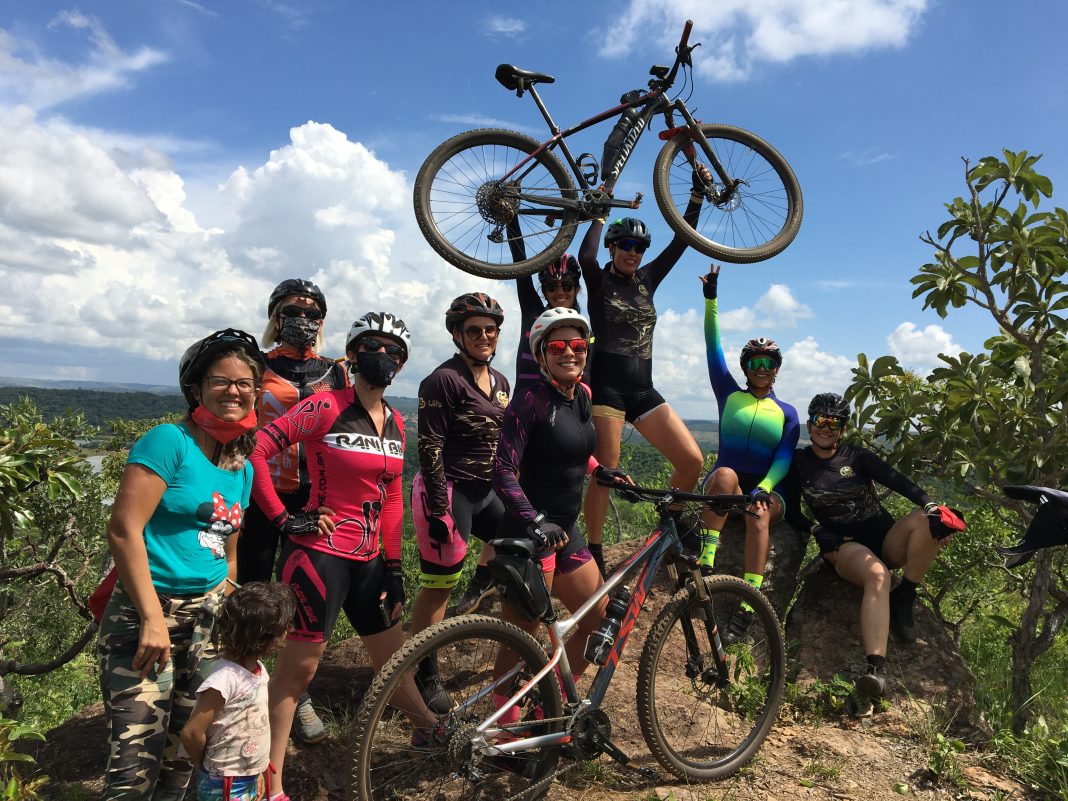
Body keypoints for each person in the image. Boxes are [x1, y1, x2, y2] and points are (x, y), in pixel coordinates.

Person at [250, 312, 434, 801]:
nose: (386, 357)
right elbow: (257, 451)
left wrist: (394, 569)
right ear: (352, 356)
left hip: (369, 560)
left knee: (393, 659)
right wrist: (283, 520)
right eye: (375, 346)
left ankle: (427, 730)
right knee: (298, 673)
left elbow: (392, 499)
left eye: (396, 351)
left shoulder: (394, 421)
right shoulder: (324, 405)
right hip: (317, 556)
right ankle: (269, 783)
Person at [98, 328, 262, 801]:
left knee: (186, 755)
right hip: (148, 613)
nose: (233, 391)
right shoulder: (168, 442)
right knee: (134, 765)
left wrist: (234, 615)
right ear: (196, 388)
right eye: (221, 381)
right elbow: (124, 529)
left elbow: (229, 546)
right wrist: (152, 618)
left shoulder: (242, 466)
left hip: (209, 619)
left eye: (244, 383)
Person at [785, 392, 965, 698]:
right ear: (810, 423)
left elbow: (900, 482)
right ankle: (876, 670)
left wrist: (934, 508)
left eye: (834, 422)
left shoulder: (857, 457)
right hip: (845, 545)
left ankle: (906, 595)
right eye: (820, 421)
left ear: (843, 428)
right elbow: (790, 507)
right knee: (878, 575)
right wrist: (816, 530)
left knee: (927, 518)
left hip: (884, 538)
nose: (826, 428)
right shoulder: (798, 463)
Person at [493, 307, 632, 693]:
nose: (569, 352)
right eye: (558, 346)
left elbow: (570, 448)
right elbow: (502, 470)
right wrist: (536, 521)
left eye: (577, 344)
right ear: (541, 355)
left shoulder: (583, 395)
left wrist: (597, 470)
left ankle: (547, 701)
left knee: (599, 622)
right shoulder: (529, 402)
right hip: (530, 534)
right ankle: (502, 733)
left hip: (565, 530)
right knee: (520, 644)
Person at [578, 172, 708, 577]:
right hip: (607, 389)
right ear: (613, 248)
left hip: (643, 388)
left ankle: (669, 522)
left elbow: (682, 240)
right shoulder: (599, 280)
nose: (632, 252)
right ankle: (594, 547)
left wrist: (697, 195)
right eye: (625, 245)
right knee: (608, 472)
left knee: (691, 460)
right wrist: (601, 211)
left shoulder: (648, 279)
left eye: (638, 246)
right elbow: (584, 257)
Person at [238, 277, 348, 744]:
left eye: (311, 311)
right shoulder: (253, 365)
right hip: (261, 495)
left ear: (322, 320)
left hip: (316, 497)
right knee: (254, 588)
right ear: (274, 315)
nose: (302, 318)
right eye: (291, 309)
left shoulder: (337, 372)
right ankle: (245, 686)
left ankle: (293, 693)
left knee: (301, 592)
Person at [453, 253, 586, 615]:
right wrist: (513, 213)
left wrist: (599, 212)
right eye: (551, 286)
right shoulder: (534, 312)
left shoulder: (576, 330)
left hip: (559, 409)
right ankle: (485, 575)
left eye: (567, 286)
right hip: (529, 411)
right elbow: (522, 265)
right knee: (518, 489)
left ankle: (490, 572)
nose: (558, 291)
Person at [410, 293, 511, 712]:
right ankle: (423, 672)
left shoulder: (502, 382)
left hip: (484, 490)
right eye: (474, 330)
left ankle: (487, 582)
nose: (484, 336)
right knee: (438, 586)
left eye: (490, 329)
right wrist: (437, 510)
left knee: (516, 543)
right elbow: (429, 445)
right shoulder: (442, 380)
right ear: (457, 334)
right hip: (447, 490)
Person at [697, 264, 800, 643]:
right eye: (755, 362)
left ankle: (748, 599)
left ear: (776, 370)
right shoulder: (729, 394)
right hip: (731, 488)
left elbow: (784, 458)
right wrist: (711, 300)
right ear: (745, 367)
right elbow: (713, 347)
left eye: (768, 363)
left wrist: (767, 487)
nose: (761, 368)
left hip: (767, 495)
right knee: (722, 475)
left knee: (758, 510)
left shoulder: (787, 412)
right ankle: (705, 561)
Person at [180, 581, 296, 801]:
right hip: (225, 783)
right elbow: (191, 732)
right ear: (264, 637)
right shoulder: (224, 680)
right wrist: (207, 766)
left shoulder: (257, 669)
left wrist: (258, 770)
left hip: (245, 777)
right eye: (285, 626)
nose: (290, 630)